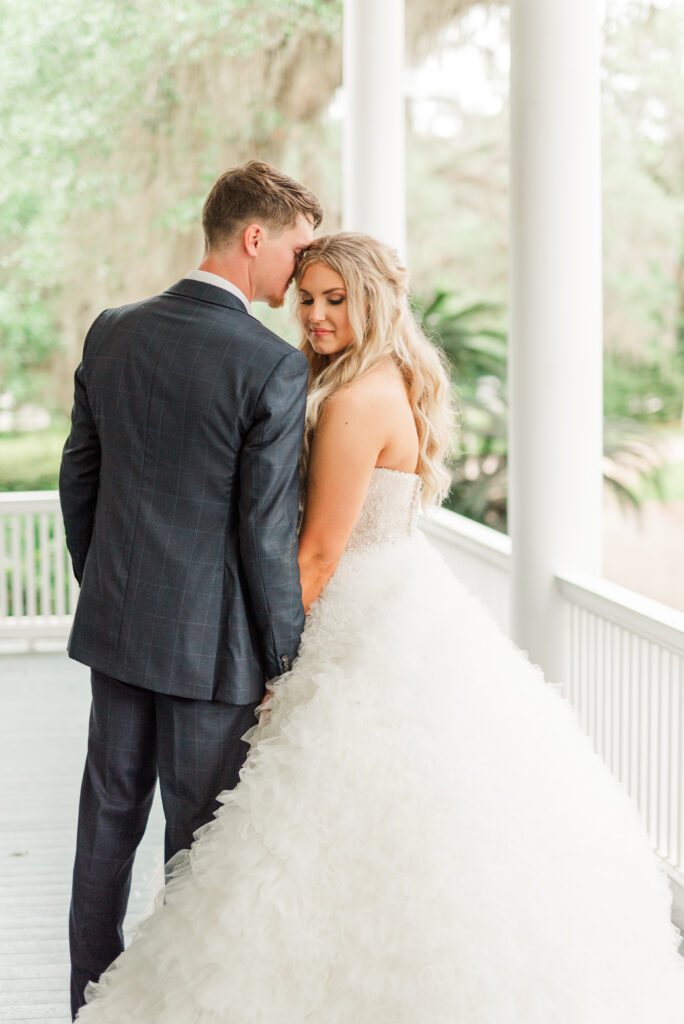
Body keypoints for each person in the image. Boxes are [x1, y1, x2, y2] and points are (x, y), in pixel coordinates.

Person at [75, 233, 684, 1022]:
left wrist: (277, 663)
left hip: (354, 611)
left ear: (376, 301)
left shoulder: (356, 399)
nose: (316, 315)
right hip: (394, 592)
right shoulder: (362, 378)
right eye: (307, 298)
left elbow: (319, 550)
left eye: (336, 299)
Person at [59, 160, 322, 1018]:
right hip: (213, 653)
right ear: (255, 238)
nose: (299, 273)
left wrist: (107, 585)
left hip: (118, 629)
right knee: (197, 847)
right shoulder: (272, 366)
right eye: (296, 251)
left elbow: (79, 479)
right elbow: (264, 535)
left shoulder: (112, 331)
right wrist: (287, 660)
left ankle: (89, 1005)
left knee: (106, 827)